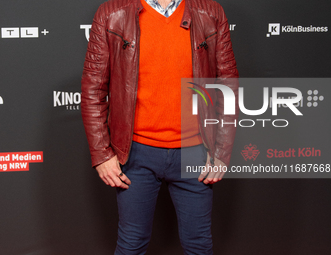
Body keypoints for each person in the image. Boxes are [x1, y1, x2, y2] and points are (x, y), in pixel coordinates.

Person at [81, 0, 239, 253]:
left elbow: (227, 86)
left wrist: (221, 151)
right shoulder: (112, 13)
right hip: (135, 153)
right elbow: (93, 90)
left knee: (199, 245)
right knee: (131, 243)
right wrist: (102, 154)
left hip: (195, 152)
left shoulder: (210, 11)